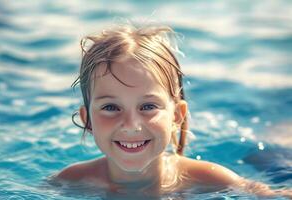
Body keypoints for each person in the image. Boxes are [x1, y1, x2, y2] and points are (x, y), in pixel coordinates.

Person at [49, 25, 291, 197]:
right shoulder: (70, 181)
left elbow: (272, 195)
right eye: (111, 107)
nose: (131, 124)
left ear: (176, 115)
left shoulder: (209, 179)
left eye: (148, 106)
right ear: (87, 119)